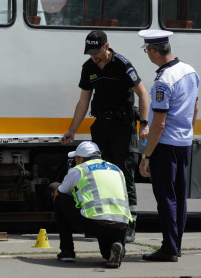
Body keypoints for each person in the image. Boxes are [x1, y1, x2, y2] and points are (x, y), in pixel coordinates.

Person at [62, 30, 150, 243]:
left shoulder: (122, 64)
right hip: (101, 125)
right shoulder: (89, 68)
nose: (94, 56)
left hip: (122, 127)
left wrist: (144, 124)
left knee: (124, 173)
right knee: (100, 173)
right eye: (90, 52)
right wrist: (72, 129)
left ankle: (129, 224)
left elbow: (143, 94)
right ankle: (103, 222)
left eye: (96, 51)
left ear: (106, 46)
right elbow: (83, 101)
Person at [138, 30, 199, 262]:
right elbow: (195, 110)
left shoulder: (163, 81)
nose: (148, 55)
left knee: (165, 198)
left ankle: (169, 249)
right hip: (184, 143)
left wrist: (147, 155)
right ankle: (176, 245)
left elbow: (159, 124)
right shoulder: (190, 71)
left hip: (165, 145)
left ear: (154, 51)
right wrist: (186, 132)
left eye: (147, 51)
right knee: (180, 196)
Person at [54, 141, 132, 269]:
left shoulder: (79, 169)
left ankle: (67, 251)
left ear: (81, 158)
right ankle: (118, 247)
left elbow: (60, 192)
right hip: (121, 225)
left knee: (59, 199)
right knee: (108, 254)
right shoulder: (116, 169)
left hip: (95, 223)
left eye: (76, 158)